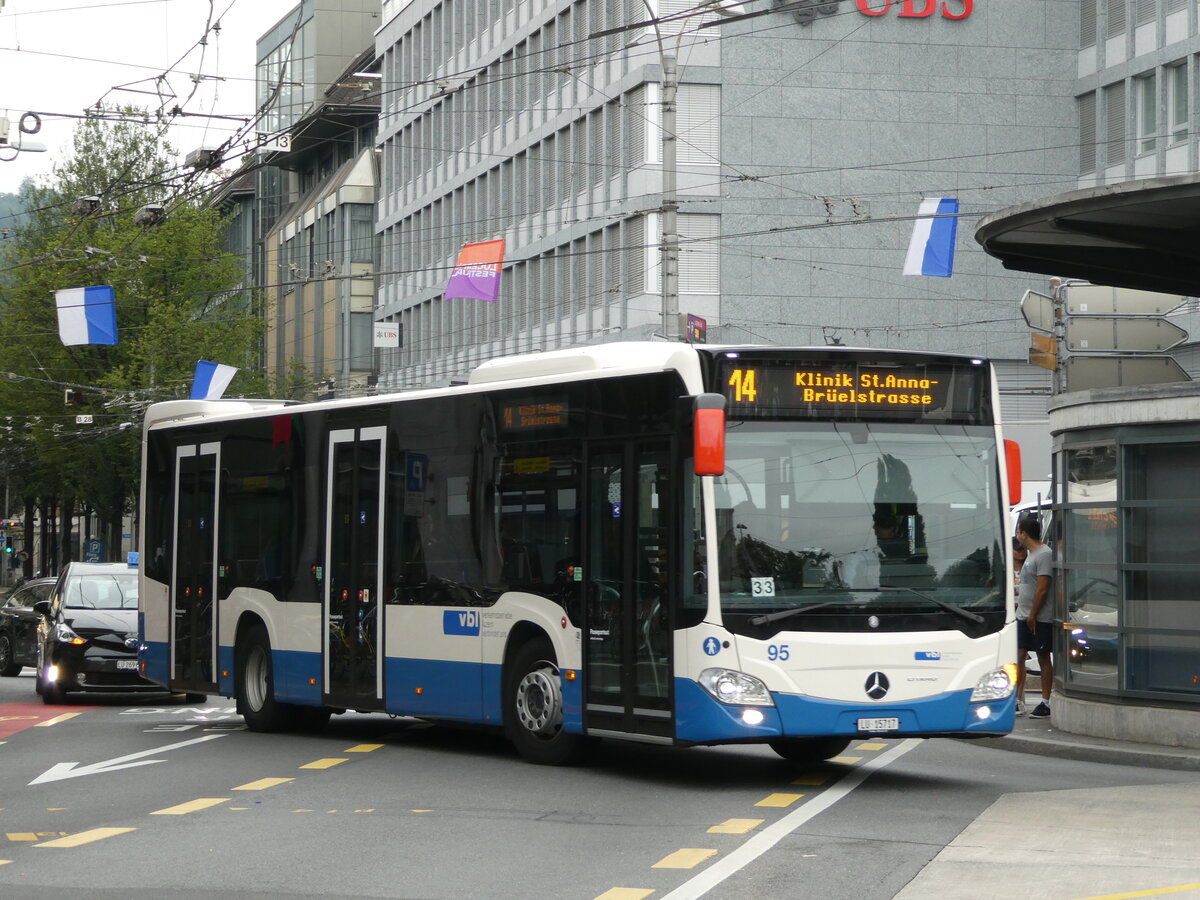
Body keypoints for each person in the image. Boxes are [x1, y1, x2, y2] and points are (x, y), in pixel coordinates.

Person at [1015, 516, 1053, 718]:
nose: (1017, 535)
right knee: (1019, 655)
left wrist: (1033, 614)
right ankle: (1018, 700)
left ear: (1024, 533)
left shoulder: (1044, 554)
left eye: (1018, 531)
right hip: (1023, 615)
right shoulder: (1030, 555)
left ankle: (1046, 702)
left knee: (1043, 656)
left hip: (1039, 617)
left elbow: (1043, 588)